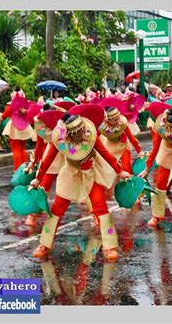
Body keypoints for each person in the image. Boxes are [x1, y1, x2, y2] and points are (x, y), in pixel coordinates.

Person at [29, 109, 132, 262]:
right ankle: (44, 243)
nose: (82, 135)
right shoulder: (59, 140)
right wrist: (38, 178)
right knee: (57, 208)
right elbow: (48, 160)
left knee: (100, 207)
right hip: (70, 174)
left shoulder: (91, 136)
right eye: (78, 134)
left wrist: (120, 171)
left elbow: (104, 153)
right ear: (69, 134)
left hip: (91, 172)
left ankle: (110, 246)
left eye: (82, 131)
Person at [99, 106, 144, 174]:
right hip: (111, 148)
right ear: (109, 119)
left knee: (126, 168)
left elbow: (131, 137)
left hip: (123, 145)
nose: (118, 121)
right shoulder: (103, 127)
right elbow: (95, 139)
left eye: (118, 118)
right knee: (113, 171)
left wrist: (139, 151)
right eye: (115, 119)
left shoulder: (122, 123)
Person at [1, 93, 36, 171]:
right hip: (25, 128)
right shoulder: (26, 106)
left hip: (14, 128)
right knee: (22, 149)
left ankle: (18, 169)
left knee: (16, 149)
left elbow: (3, 116)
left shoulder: (10, 106)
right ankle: (25, 168)